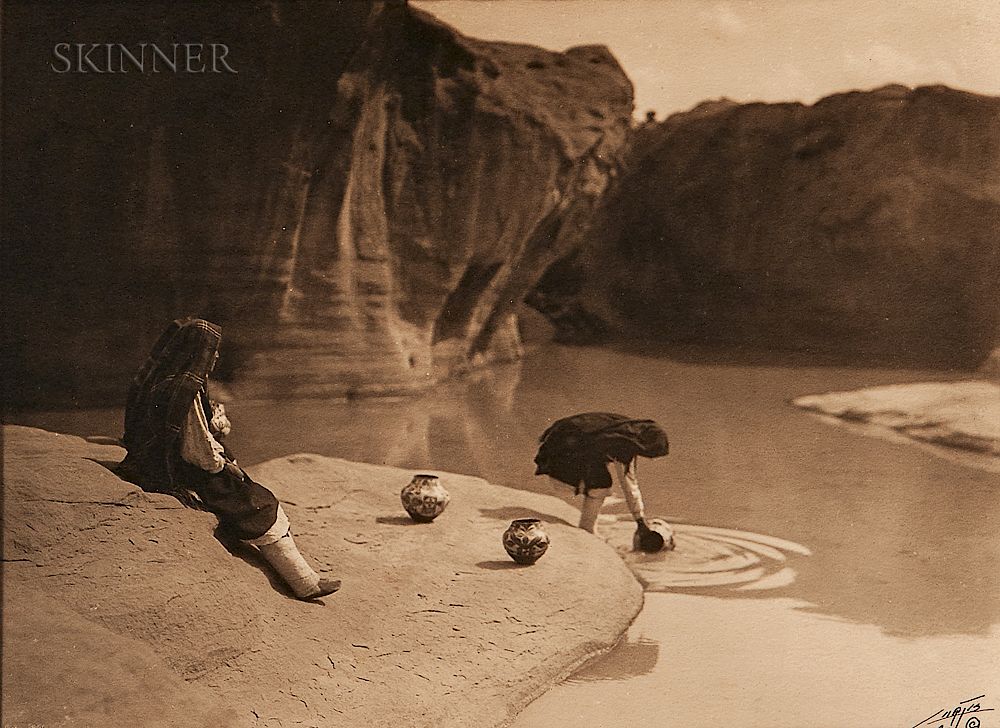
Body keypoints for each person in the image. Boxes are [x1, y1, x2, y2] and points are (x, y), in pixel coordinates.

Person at [117, 317, 340, 600]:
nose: (216, 356)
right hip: (175, 471)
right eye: (212, 350)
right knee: (259, 503)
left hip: (161, 461)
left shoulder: (171, 381)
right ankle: (304, 583)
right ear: (197, 352)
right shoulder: (184, 391)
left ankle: (305, 577)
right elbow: (198, 454)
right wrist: (226, 466)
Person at [533, 412, 670, 547]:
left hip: (561, 441)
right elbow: (629, 485)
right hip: (563, 450)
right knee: (601, 485)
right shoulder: (623, 444)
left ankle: (588, 526)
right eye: (651, 453)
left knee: (598, 478)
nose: (650, 458)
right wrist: (640, 520)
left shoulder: (624, 428)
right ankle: (587, 528)